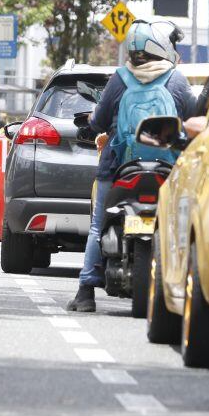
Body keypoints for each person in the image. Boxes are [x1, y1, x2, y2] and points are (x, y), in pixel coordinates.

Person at [67, 20, 195, 313]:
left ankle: (86, 292)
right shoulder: (176, 80)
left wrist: (98, 126)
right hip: (167, 169)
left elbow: (98, 121)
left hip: (118, 167)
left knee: (98, 225)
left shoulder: (120, 79)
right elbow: (193, 117)